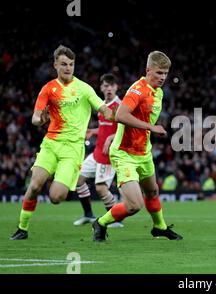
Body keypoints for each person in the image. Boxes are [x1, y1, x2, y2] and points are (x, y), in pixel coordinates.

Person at [10, 45, 114, 240]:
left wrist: (111, 113)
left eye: (72, 64)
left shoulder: (84, 88)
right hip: (51, 144)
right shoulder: (48, 89)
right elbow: (35, 118)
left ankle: (83, 209)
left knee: (56, 197)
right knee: (33, 186)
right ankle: (22, 228)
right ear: (55, 65)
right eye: (64, 64)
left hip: (72, 149)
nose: (68, 68)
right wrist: (42, 119)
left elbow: (102, 107)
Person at [91, 51, 183, 242]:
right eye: (159, 73)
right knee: (134, 205)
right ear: (148, 70)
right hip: (124, 154)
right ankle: (100, 222)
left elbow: (138, 120)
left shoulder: (158, 92)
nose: (163, 77)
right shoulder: (137, 90)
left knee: (152, 192)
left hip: (143, 151)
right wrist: (151, 127)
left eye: (165, 73)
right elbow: (121, 115)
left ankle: (160, 227)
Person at [73, 73, 124, 228]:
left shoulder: (120, 106)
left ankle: (115, 218)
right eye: (105, 85)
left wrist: (110, 139)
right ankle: (88, 215)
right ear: (101, 88)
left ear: (116, 87)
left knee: (101, 188)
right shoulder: (102, 105)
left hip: (109, 156)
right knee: (77, 180)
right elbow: (105, 127)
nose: (108, 88)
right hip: (97, 153)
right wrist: (93, 132)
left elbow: (126, 130)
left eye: (111, 85)